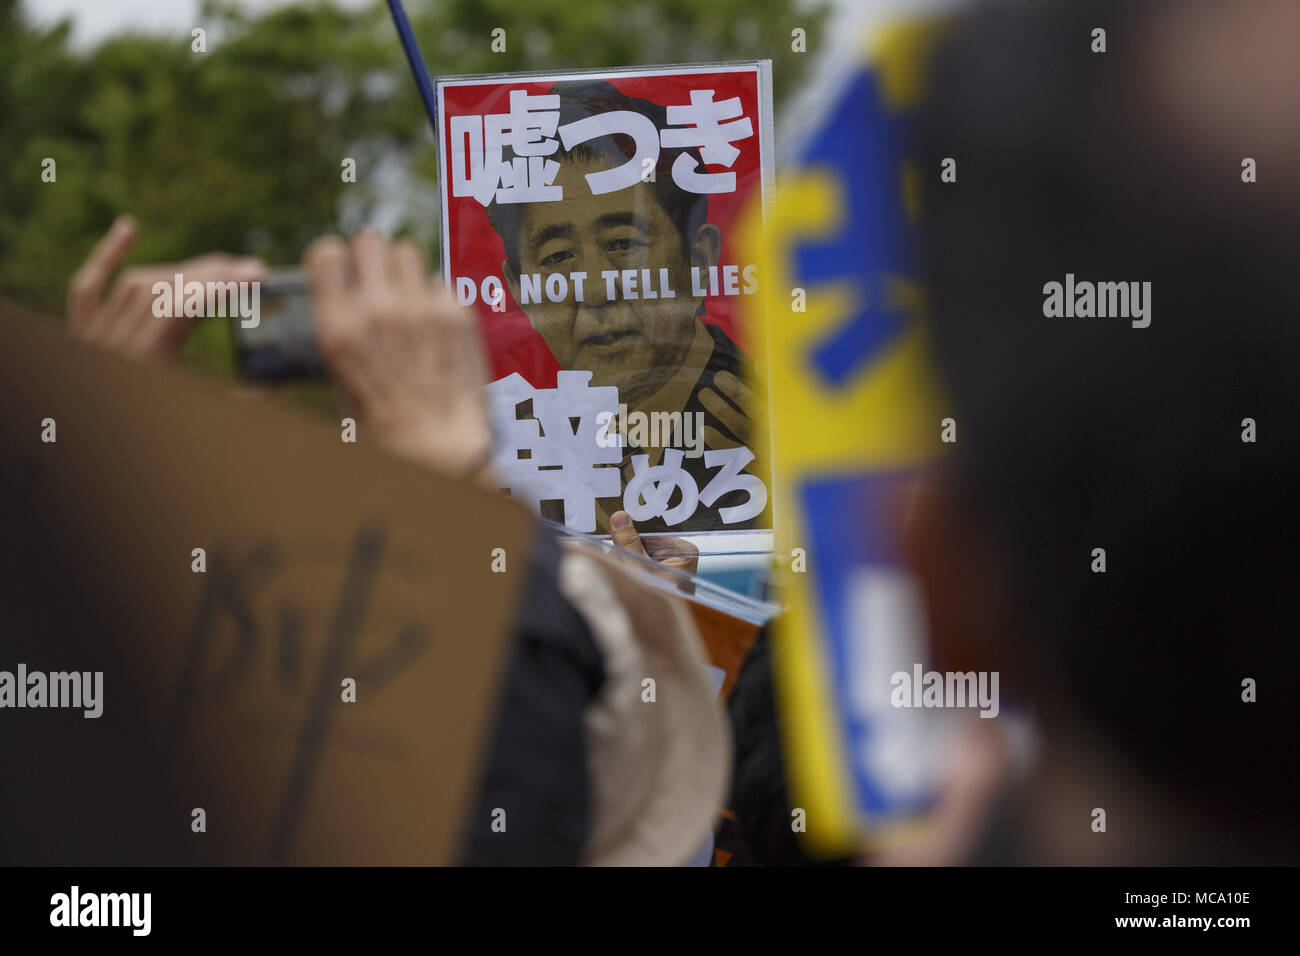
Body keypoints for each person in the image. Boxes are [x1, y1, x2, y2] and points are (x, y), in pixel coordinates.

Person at [484, 80, 768, 533]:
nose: (594, 290)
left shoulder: (776, 424)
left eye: (623, 243)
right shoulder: (503, 455)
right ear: (520, 291)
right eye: (559, 257)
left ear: (700, 259)